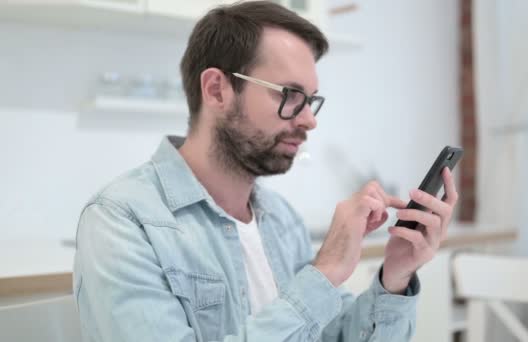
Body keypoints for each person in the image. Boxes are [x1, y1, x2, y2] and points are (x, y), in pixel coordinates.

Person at [73, 1, 459, 341]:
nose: (309, 120)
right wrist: (324, 273)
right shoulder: (122, 222)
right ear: (217, 90)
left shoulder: (280, 220)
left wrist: (395, 276)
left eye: (312, 101)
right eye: (290, 95)